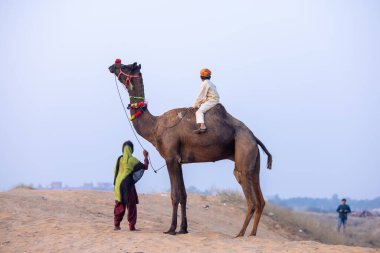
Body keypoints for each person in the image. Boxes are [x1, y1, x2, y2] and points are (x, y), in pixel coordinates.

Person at [113, 141, 149, 231]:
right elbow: (145, 166)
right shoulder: (132, 160)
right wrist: (145, 157)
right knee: (131, 205)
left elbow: (115, 172)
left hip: (118, 185)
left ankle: (116, 225)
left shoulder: (119, 159)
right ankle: (132, 226)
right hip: (128, 185)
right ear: (131, 149)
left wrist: (115, 185)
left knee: (119, 204)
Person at [192, 68, 220, 134]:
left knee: (199, 111)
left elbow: (200, 97)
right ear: (209, 76)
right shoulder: (210, 83)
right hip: (214, 99)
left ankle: (202, 126)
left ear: (201, 77)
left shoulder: (204, 83)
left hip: (212, 100)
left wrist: (195, 106)